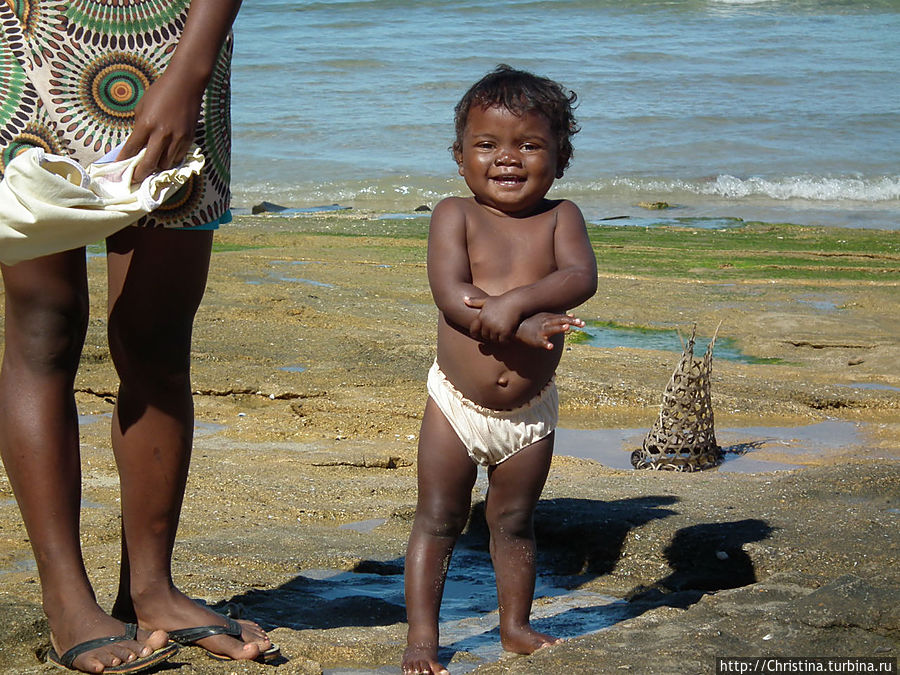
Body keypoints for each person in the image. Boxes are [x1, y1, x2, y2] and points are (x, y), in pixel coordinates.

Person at [0, 1, 277, 672]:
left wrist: (192, 67)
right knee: (45, 328)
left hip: (176, 37)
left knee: (155, 337)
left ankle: (151, 588)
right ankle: (69, 598)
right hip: (27, 34)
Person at [402, 65, 598, 675]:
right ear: (459, 156)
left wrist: (515, 302)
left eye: (529, 145)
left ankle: (514, 626)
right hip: (455, 406)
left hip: (529, 414)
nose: (507, 159)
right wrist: (523, 324)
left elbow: (580, 278)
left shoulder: (562, 216)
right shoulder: (453, 214)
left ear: (560, 158)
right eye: (487, 144)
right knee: (438, 519)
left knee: (513, 521)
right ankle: (422, 641)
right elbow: (452, 296)